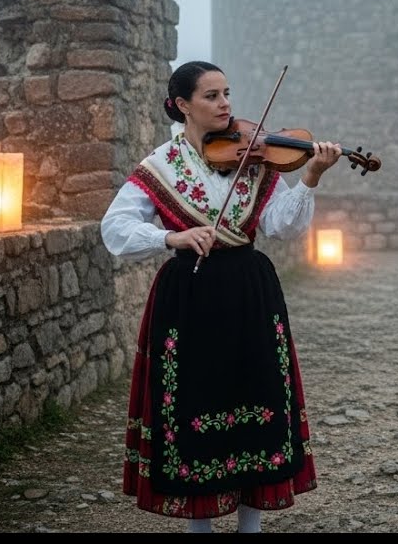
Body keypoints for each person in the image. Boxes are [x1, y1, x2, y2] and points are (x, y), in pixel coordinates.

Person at [100, 60, 343, 533]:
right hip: (189, 296)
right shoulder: (160, 166)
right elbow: (115, 228)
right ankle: (200, 525)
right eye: (211, 96)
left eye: (227, 92)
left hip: (250, 290)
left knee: (258, 398)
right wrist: (170, 238)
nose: (225, 103)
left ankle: (251, 525)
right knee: (195, 403)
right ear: (182, 105)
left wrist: (311, 174)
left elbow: (284, 226)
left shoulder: (255, 156)